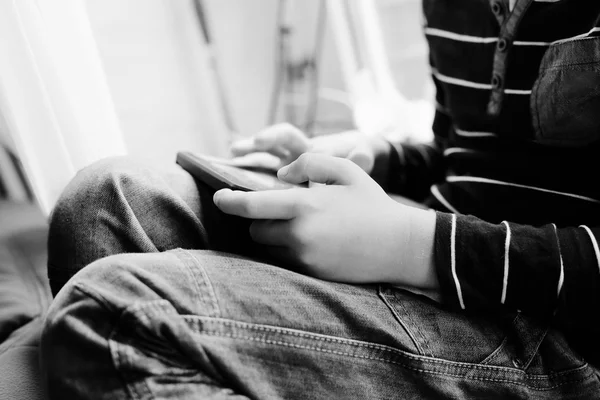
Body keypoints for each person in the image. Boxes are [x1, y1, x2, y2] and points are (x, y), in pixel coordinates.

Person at [41, 0, 600, 398]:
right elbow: (465, 152)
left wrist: (410, 246)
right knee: (103, 200)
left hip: (555, 332)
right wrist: (369, 158)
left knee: (114, 314)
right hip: (442, 245)